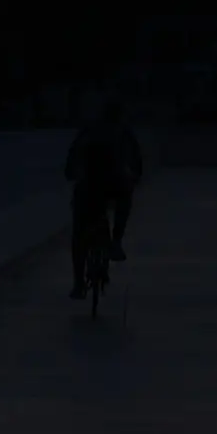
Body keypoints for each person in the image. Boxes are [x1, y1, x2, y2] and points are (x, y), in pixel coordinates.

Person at [64, 97, 144, 304]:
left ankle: (78, 283)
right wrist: (136, 176)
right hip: (114, 185)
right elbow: (136, 160)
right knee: (124, 201)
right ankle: (116, 241)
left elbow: (72, 157)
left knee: (79, 234)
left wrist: (71, 173)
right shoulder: (123, 132)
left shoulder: (89, 130)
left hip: (88, 187)